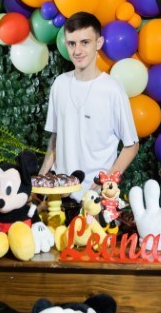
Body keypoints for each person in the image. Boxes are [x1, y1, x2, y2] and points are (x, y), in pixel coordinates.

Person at [39, 12, 139, 208]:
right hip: (60, 195)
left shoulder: (112, 89)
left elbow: (132, 145)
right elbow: (55, 138)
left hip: (95, 199)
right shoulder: (60, 84)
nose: (77, 50)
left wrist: (104, 182)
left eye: (85, 42)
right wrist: (42, 178)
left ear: (98, 43)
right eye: (72, 43)